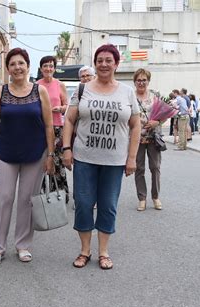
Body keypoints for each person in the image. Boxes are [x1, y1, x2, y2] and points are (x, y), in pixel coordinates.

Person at [62, 44, 141, 270]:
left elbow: (136, 125)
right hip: (84, 158)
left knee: (108, 205)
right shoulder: (83, 89)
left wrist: (132, 157)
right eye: (100, 60)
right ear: (95, 64)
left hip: (115, 161)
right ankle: (85, 250)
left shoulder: (127, 92)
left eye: (109, 60)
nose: (104, 64)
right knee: (84, 204)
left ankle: (103, 252)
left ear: (116, 64)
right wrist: (66, 149)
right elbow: (69, 120)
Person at [0, 48, 55, 266]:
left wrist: (51, 154)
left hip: (35, 153)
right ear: (7, 68)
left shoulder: (39, 91)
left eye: (21, 63)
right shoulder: (0, 91)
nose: (17, 67)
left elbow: (49, 124)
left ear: (27, 66)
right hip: (5, 152)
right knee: (3, 199)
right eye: (13, 64)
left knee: (27, 200)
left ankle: (23, 245)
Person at [37, 56, 70, 203]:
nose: (48, 69)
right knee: (42, 161)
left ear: (54, 68)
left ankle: (61, 194)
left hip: (57, 127)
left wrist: (60, 108)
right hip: (40, 127)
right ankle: (44, 195)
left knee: (57, 161)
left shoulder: (59, 85)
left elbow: (68, 107)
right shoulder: (36, 85)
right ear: (41, 69)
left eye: (51, 66)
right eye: (45, 66)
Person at [133, 69, 162, 212]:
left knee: (155, 167)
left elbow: (165, 112)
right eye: (138, 80)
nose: (141, 82)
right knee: (139, 168)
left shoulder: (155, 95)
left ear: (148, 81)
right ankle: (142, 198)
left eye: (144, 80)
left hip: (153, 136)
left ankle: (155, 197)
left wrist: (157, 122)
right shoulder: (130, 96)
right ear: (135, 82)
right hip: (137, 138)